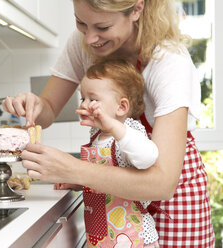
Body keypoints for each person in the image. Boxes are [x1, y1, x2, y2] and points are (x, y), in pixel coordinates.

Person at [2, 0, 215, 247]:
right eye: (81, 22)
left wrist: (73, 169)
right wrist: (34, 106)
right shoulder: (82, 43)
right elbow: (48, 110)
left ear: (137, 9)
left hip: (171, 197)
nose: (90, 38)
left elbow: (163, 183)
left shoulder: (168, 60)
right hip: (119, 201)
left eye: (102, 27)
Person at [64, 57, 161, 247]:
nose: (84, 105)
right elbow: (97, 178)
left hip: (135, 238)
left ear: (121, 107)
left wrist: (115, 128)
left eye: (93, 99)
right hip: (101, 237)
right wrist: (76, 182)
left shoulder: (129, 133)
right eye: (83, 98)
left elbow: (148, 158)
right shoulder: (96, 137)